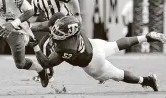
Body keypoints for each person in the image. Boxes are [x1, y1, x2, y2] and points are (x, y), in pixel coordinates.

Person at [30, 12, 165, 91]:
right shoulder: (70, 23)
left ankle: (146, 81)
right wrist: (25, 25)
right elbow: (48, 25)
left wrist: (36, 47)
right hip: (94, 44)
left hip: (93, 64)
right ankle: (146, 37)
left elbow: (47, 63)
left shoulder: (64, 48)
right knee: (115, 45)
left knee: (118, 74)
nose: (53, 32)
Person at [29, 0, 82, 82]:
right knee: (39, 36)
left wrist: (77, 15)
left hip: (66, 23)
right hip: (54, 27)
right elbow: (34, 17)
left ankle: (48, 74)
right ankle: (48, 71)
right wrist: (24, 25)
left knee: (44, 44)